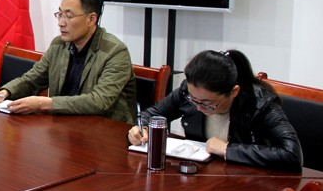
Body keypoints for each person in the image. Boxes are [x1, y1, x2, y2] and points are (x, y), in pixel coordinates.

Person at [0, 0, 137, 124]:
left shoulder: (115, 52)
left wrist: (44, 103)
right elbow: (32, 80)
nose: (61, 22)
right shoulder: (59, 45)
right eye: (60, 14)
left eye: (68, 16)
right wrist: (5, 92)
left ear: (91, 19)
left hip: (106, 132)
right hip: (65, 126)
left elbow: (99, 101)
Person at [128, 49, 303, 171]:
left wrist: (227, 149)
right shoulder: (188, 92)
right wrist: (141, 128)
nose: (198, 107)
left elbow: (292, 154)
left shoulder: (260, 104)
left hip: (248, 182)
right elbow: (151, 114)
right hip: (203, 175)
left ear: (234, 92)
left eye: (207, 103)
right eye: (194, 99)